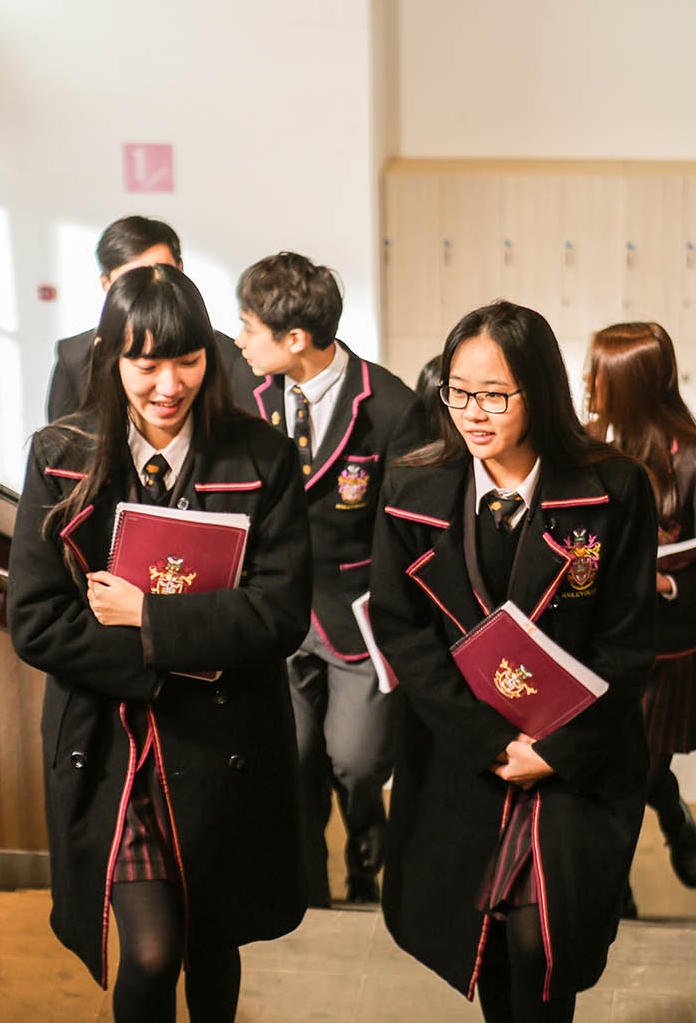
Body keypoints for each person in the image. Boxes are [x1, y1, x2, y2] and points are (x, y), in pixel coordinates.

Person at [9, 263, 312, 1023]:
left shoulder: (262, 457)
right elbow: (37, 619)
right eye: (145, 364)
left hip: (223, 742)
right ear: (110, 359)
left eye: (187, 360)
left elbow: (281, 614)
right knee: (149, 952)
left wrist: (150, 619)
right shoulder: (59, 456)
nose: (168, 385)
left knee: (214, 936)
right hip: (113, 744)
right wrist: (171, 662)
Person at [369, 300, 658, 1022]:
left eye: (495, 394)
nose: (474, 412)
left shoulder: (614, 489)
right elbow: (403, 631)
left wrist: (555, 750)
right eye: (459, 392)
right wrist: (491, 742)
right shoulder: (412, 489)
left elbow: (628, 642)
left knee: (542, 939)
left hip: (575, 756)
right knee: (487, 941)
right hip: (465, 751)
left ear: (541, 390)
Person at [233, 251, 420, 907]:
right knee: (293, 758)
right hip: (274, 609)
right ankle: (308, 887)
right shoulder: (245, 393)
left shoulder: (390, 406)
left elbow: (408, 528)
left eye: (248, 327)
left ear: (295, 339)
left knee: (358, 760)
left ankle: (368, 836)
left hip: (355, 613)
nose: (238, 341)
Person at [585, 321, 696, 900]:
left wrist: (667, 583)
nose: (586, 383)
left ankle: (622, 880)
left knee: (639, 773)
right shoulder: (587, 449)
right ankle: (656, 825)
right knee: (605, 768)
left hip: (669, 650)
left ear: (627, 385)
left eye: (597, 374)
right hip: (598, 644)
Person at [46, 215, 254, 422]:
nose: (151, 286)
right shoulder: (74, 357)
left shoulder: (229, 356)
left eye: (188, 362)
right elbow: (62, 436)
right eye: (132, 280)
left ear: (180, 270)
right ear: (106, 284)